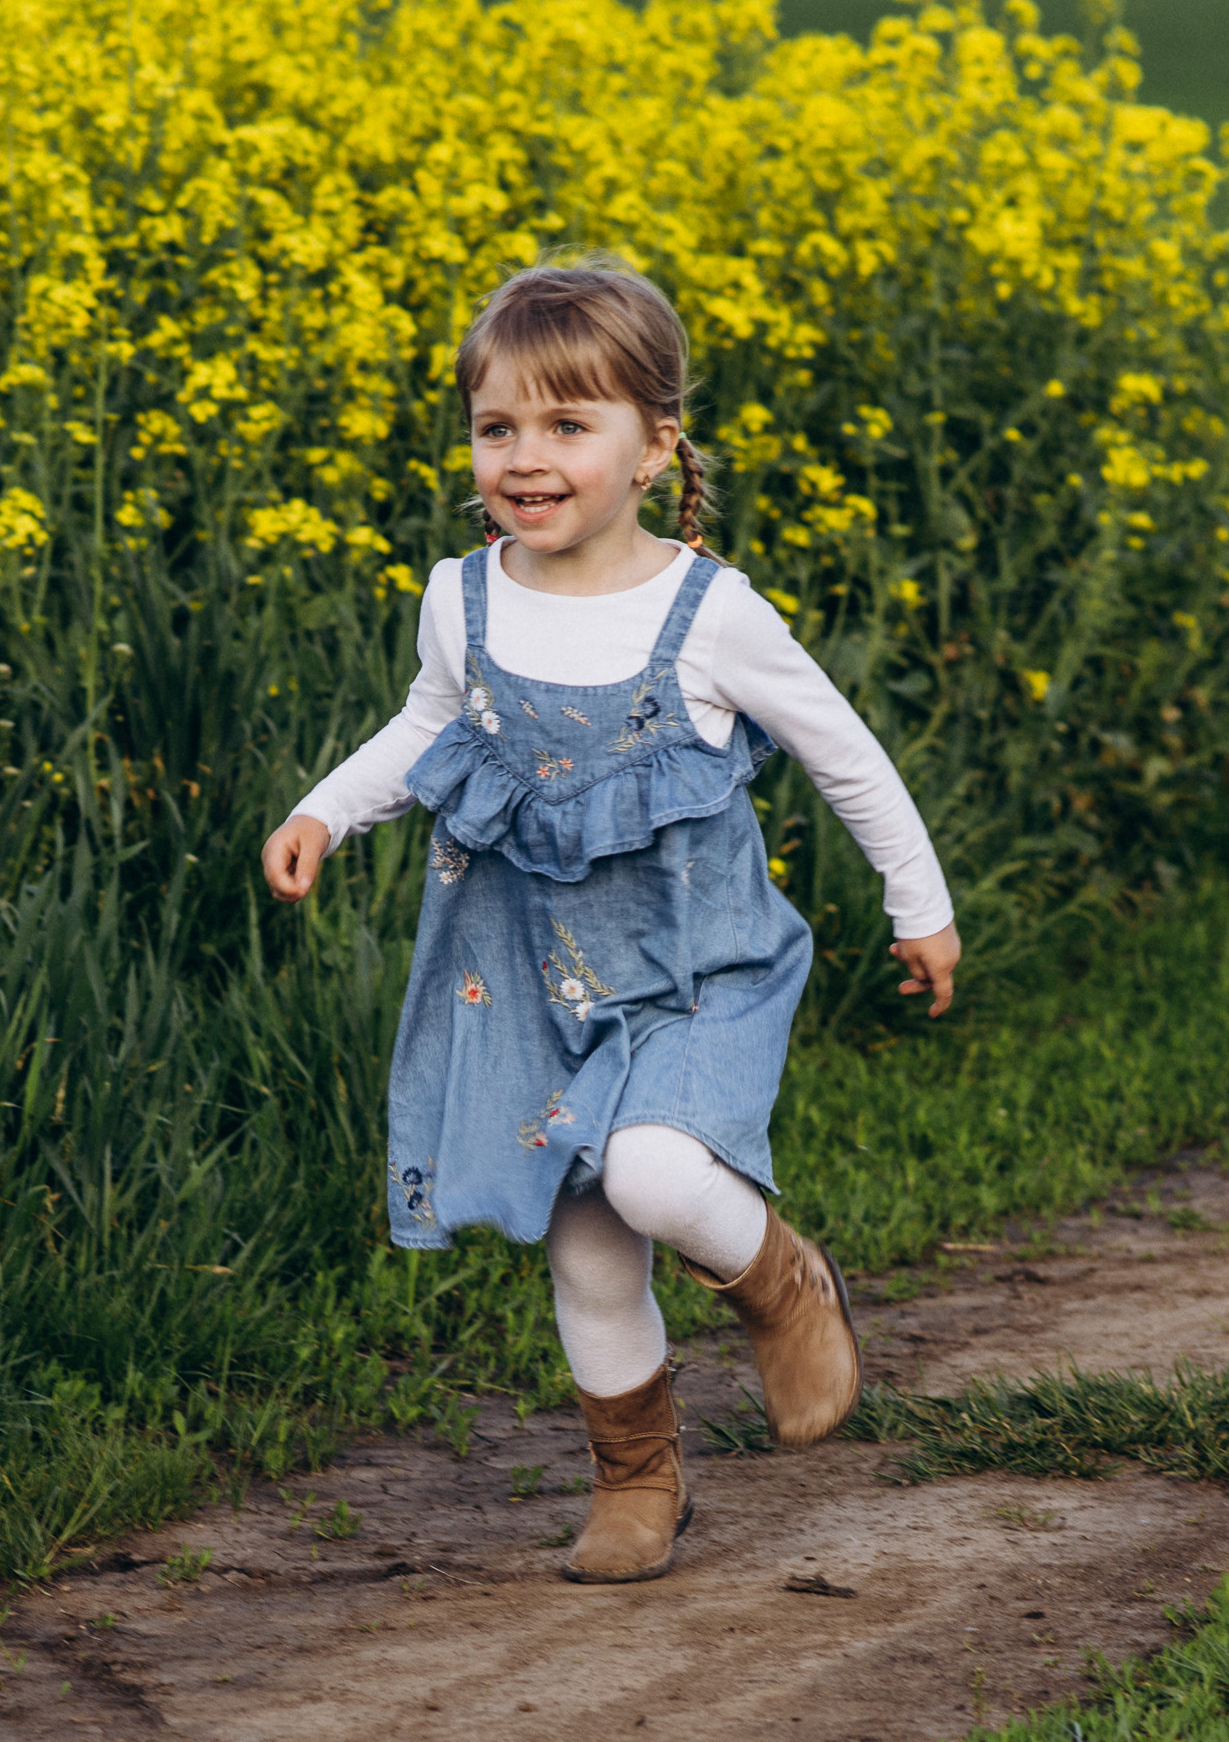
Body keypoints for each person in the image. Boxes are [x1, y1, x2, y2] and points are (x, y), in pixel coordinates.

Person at [260, 256, 959, 1584]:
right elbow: (427, 726)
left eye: (568, 424)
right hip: (528, 981)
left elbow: (847, 757)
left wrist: (919, 906)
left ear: (654, 449)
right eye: (496, 427)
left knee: (653, 1175)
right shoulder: (464, 599)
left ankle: (782, 1284)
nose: (525, 458)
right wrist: (326, 811)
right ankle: (636, 1482)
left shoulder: (710, 616)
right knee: (586, 1253)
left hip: (695, 972)